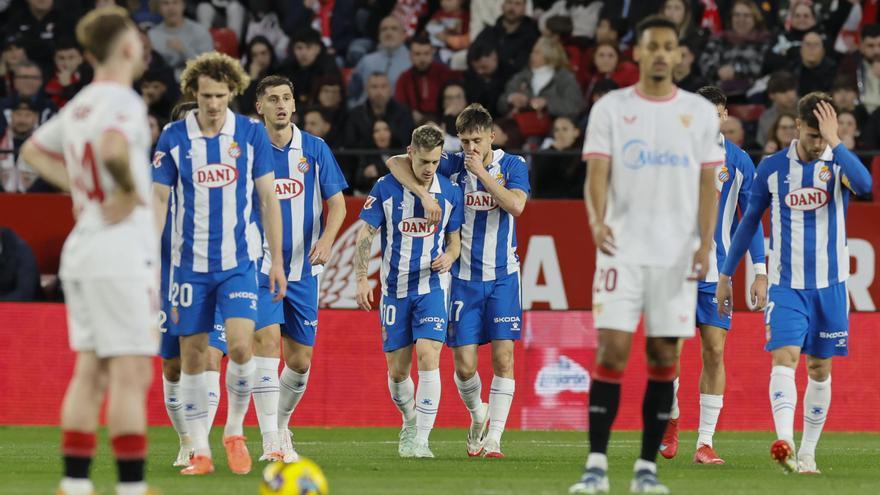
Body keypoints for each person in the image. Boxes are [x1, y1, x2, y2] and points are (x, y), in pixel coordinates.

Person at [569, 16, 723, 494]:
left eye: (669, 47)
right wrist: (597, 222)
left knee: (664, 355)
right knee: (612, 351)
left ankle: (645, 471)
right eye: (652, 45)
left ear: (678, 54)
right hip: (623, 251)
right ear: (637, 52)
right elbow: (596, 174)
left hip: (675, 256)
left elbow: (707, 183)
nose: (660, 53)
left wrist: (704, 241)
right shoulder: (611, 108)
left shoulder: (699, 113)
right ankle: (595, 467)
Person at [19, 7, 159, 495]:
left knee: (91, 368)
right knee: (131, 371)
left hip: (84, 249)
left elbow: (31, 152)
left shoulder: (80, 104)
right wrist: (122, 190)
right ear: (125, 48)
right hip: (120, 253)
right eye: (138, 40)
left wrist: (83, 194)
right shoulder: (122, 101)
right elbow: (116, 147)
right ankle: (131, 487)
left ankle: (75, 484)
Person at [716, 92, 872, 474]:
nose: (819, 143)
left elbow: (867, 186)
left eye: (825, 136)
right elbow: (749, 221)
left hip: (831, 285)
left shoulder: (837, 164)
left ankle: (808, 453)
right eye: (814, 135)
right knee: (784, 357)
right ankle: (784, 442)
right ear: (798, 125)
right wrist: (727, 275)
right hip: (786, 285)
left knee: (819, 368)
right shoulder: (771, 168)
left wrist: (837, 142)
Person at [151, 51, 286, 476]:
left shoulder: (249, 134)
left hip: (239, 263)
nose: (212, 104)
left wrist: (277, 260)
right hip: (188, 266)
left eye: (221, 95)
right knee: (192, 359)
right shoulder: (173, 137)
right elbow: (158, 198)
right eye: (206, 95)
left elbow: (268, 198)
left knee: (243, 346)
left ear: (233, 93)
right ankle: (199, 452)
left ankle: (233, 432)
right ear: (194, 93)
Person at [388, 103, 529, 458]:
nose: (470, 148)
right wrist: (422, 193)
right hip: (463, 279)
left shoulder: (512, 165)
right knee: (465, 366)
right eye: (464, 141)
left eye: (476, 140)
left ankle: (493, 438)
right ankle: (477, 414)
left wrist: (482, 173)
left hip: (503, 278)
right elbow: (394, 163)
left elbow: (516, 206)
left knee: (504, 358)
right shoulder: (452, 165)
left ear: (491, 137)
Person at [658, 86, 768, 465]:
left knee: (715, 351)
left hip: (717, 272)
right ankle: (671, 417)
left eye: (713, 113)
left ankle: (704, 442)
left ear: (724, 116)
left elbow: (750, 220)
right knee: (668, 353)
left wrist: (760, 272)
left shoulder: (738, 162)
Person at [251, 75, 348, 463]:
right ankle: (270, 441)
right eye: (272, 99)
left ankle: (281, 425)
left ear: (294, 105)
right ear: (259, 106)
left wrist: (326, 240)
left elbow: (337, 204)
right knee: (266, 346)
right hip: (259, 267)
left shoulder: (315, 148)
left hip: (304, 271)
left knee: (300, 361)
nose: (280, 105)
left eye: (286, 98)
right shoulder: (247, 150)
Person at [354, 124, 464, 458]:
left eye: (434, 162)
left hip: (430, 288)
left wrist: (449, 257)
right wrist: (361, 278)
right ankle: (409, 419)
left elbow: (454, 241)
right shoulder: (386, 189)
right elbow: (365, 236)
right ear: (410, 153)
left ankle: (421, 440)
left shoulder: (451, 193)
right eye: (423, 161)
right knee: (398, 372)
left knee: (430, 357)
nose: (429, 168)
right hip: (394, 290)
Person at [155, 100, 228, 469]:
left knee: (211, 357)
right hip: (170, 287)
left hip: (215, 282)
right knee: (172, 367)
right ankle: (186, 440)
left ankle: (200, 448)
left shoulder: (223, 180)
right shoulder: (157, 185)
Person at [394, 33, 457, 125]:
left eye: (426, 53)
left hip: (443, 120)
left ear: (432, 53)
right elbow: (400, 105)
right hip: (414, 123)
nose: (422, 58)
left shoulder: (444, 72)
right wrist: (410, 113)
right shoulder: (404, 78)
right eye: (417, 54)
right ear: (410, 56)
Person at [148, 0, 214, 78]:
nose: (171, 8)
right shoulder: (152, 35)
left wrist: (184, 50)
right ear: (159, 8)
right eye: (165, 3)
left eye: (175, 2)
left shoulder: (200, 31)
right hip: (163, 84)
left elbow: (208, 67)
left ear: (183, 6)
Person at [756, 71, 798, 148]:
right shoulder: (766, 118)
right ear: (772, 95)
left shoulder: (807, 111)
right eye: (783, 92)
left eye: (792, 89)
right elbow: (763, 145)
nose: (790, 96)